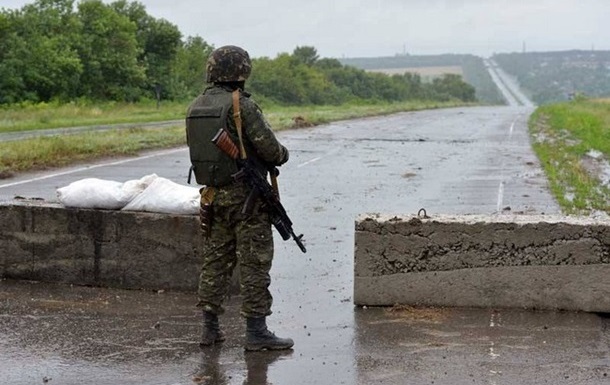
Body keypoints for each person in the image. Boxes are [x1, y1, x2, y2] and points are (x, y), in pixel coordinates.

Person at [185, 45, 293, 351]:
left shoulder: (195, 106)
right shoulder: (241, 106)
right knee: (254, 263)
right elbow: (271, 150)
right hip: (247, 199)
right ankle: (256, 333)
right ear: (241, 72)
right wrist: (283, 154)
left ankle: (210, 329)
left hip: (213, 196)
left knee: (215, 262)